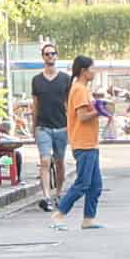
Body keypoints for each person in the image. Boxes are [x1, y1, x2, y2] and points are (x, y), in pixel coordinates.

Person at [51, 56, 108, 229]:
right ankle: (59, 213)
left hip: (90, 142)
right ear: (83, 71)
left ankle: (89, 218)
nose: (94, 72)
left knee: (96, 184)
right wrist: (98, 112)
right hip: (83, 143)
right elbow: (82, 116)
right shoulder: (79, 90)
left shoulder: (83, 89)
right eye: (92, 69)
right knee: (83, 182)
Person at [30, 43, 70, 211]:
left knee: (59, 161)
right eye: (47, 54)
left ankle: (58, 193)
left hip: (61, 126)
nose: (50, 57)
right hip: (43, 127)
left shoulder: (65, 79)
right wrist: (34, 126)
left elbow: (69, 104)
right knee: (45, 161)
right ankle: (46, 196)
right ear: (43, 57)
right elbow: (35, 105)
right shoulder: (37, 80)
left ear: (57, 56)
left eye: (53, 53)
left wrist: (71, 125)